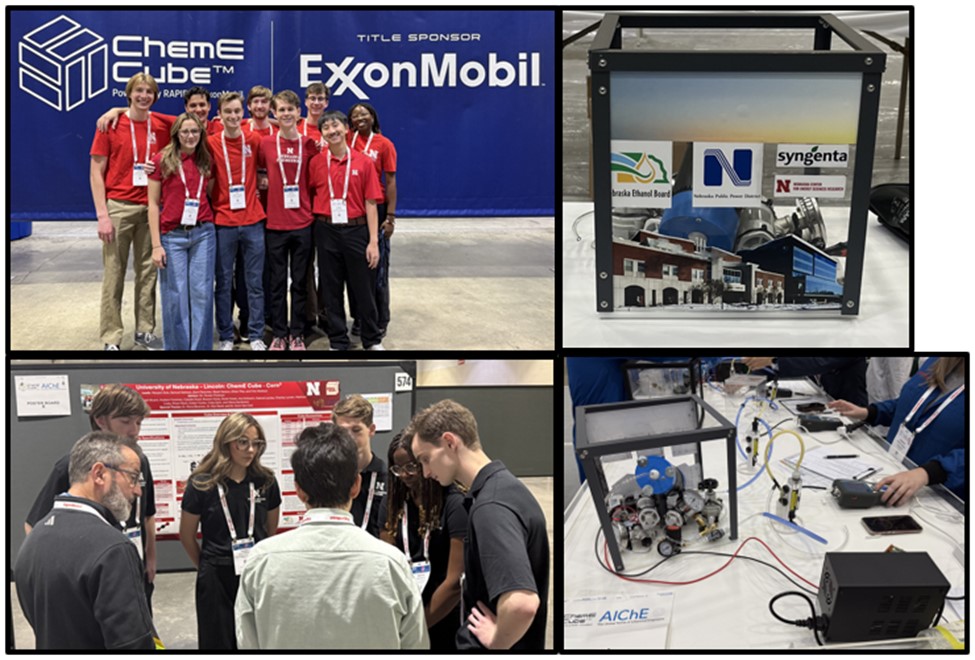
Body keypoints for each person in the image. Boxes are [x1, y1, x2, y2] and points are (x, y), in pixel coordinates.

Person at [235, 423, 429, 649]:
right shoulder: (391, 563)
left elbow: (247, 643)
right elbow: (416, 646)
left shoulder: (261, 561)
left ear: (298, 489)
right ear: (356, 485)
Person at [411, 400, 548, 650]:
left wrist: (497, 641)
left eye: (426, 459)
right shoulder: (505, 488)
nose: (426, 472)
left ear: (450, 442)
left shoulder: (491, 507)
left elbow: (522, 603)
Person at [15, 432, 156, 649]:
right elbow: (132, 644)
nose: (137, 490)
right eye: (133, 477)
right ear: (99, 474)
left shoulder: (33, 540)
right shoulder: (113, 548)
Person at [24, 384, 157, 612]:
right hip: (92, 573)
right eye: (125, 422)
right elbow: (33, 525)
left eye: (138, 422)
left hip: (132, 564)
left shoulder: (139, 461)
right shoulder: (71, 466)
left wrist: (150, 558)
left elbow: (148, 514)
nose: (134, 430)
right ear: (101, 421)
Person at [179, 413, 281, 649]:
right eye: (243, 442)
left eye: (256, 443)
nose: (250, 450)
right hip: (215, 575)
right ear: (226, 442)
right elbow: (187, 535)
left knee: (257, 638)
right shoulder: (201, 483)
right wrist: (206, 564)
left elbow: (269, 530)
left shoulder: (266, 481)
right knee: (217, 640)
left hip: (255, 572)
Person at [89, 72, 169, 350]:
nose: (144, 95)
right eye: (139, 91)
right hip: (119, 209)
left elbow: (198, 124)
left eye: (149, 91)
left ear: (155, 96)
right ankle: (111, 336)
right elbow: (96, 172)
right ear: (129, 93)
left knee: (148, 274)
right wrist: (103, 215)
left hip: (150, 209)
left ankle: (145, 331)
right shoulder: (109, 126)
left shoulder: (161, 124)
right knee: (114, 273)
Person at [828, 357, 966, 505]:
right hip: (892, 471)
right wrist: (870, 412)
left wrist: (926, 474)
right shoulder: (937, 361)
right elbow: (910, 404)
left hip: (938, 498)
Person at [378, 431, 467, 650]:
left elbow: (455, 582)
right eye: (398, 469)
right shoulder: (392, 504)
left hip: (444, 615)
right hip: (404, 612)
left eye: (411, 467)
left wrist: (418, 628)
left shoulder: (453, 504)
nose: (405, 475)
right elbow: (387, 566)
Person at [309, 110, 384, 350]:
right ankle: (338, 339)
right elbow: (312, 193)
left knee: (363, 287)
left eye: (336, 126)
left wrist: (373, 242)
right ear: (322, 134)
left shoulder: (363, 162)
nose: (332, 131)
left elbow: (371, 203)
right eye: (327, 128)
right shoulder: (316, 162)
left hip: (356, 230)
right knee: (331, 288)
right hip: (326, 229)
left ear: (346, 129)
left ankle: (371, 339)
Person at [147, 113, 216, 350]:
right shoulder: (160, 161)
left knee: (202, 295)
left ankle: (201, 352)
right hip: (172, 236)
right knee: (175, 297)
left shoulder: (206, 158)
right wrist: (156, 245)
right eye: (185, 131)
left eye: (195, 131)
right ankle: (177, 352)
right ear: (176, 134)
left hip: (203, 234)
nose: (190, 136)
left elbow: (208, 190)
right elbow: (153, 204)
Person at [257, 90, 317, 351]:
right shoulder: (266, 144)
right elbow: (260, 174)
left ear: (298, 112)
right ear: (274, 113)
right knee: (277, 282)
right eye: (281, 110)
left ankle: (297, 333)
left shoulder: (310, 144)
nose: (286, 114)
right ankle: (280, 333)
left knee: (300, 282)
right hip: (275, 224)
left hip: (303, 222)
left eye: (290, 109)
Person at [209, 92, 267, 351]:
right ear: (219, 115)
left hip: (253, 220)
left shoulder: (254, 140)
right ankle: (225, 335)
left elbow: (263, 168)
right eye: (228, 112)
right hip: (223, 221)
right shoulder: (210, 143)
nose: (233, 116)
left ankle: (255, 334)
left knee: (254, 281)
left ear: (243, 113)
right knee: (223, 282)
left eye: (237, 111)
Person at [347, 102, 397, 339]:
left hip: (376, 206)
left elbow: (390, 182)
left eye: (364, 114)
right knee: (356, 269)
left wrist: (390, 217)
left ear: (373, 117)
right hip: (353, 208)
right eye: (355, 115)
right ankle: (358, 317)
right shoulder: (347, 139)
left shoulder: (383, 144)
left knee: (377, 269)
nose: (360, 118)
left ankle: (380, 319)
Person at [331, 394, 387, 535]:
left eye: (356, 430)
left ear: (371, 430)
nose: (349, 438)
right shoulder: (330, 477)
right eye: (343, 431)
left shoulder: (388, 476)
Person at [742, 357, 868, 406]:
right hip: (820, 401)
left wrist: (774, 359)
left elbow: (816, 362)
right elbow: (773, 367)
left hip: (850, 412)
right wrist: (747, 380)